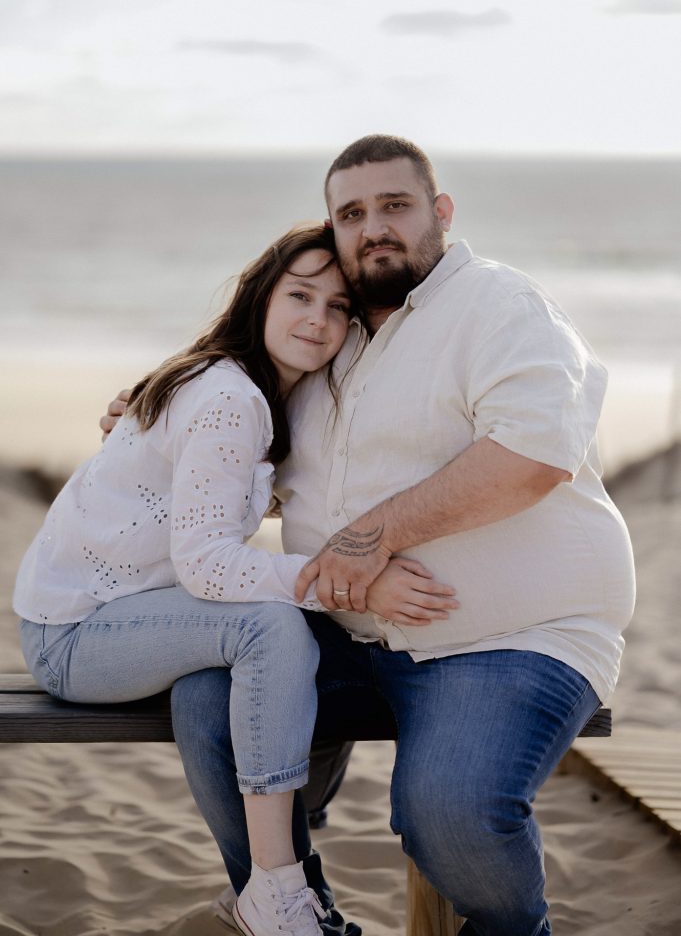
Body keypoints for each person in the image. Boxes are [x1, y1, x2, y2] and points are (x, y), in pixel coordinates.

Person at [102, 136, 636, 936]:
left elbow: (531, 458)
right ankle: (297, 910)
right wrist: (156, 423)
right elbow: (256, 456)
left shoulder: (498, 306)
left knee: (450, 814)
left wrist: (368, 537)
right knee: (208, 701)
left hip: (510, 637)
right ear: (332, 229)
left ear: (440, 212)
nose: (372, 228)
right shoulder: (327, 339)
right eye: (350, 214)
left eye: (394, 205)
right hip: (351, 634)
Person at [14, 220, 458, 936]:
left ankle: (281, 891)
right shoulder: (231, 398)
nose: (317, 320)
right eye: (300, 296)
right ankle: (278, 886)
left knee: (205, 694)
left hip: (136, 614)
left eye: (338, 307)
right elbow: (207, 565)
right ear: (260, 297)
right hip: (75, 632)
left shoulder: (260, 392)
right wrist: (356, 584)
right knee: (269, 623)